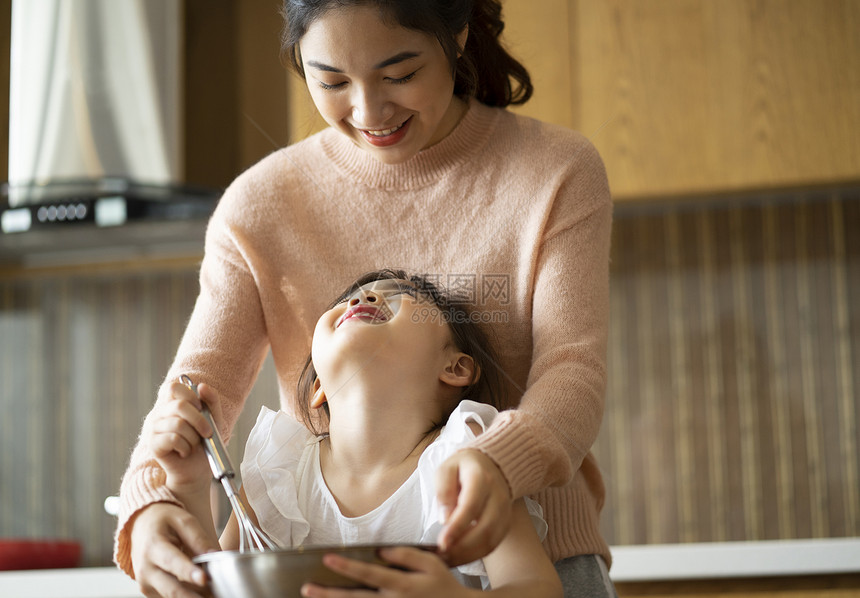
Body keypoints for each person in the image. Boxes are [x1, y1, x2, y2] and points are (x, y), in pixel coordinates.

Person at [115, 1, 615, 597]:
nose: (369, 111)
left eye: (400, 74)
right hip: (314, 577)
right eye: (331, 81)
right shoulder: (258, 205)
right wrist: (153, 502)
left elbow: (573, 372)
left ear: (456, 36)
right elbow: (195, 394)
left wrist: (500, 464)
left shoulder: (555, 170)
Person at [150, 270, 562, 597]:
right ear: (318, 390)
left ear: (455, 368)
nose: (363, 298)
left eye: (401, 297)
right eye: (351, 300)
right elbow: (207, 587)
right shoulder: (280, 475)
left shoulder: (467, 459)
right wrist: (188, 487)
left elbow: (539, 588)